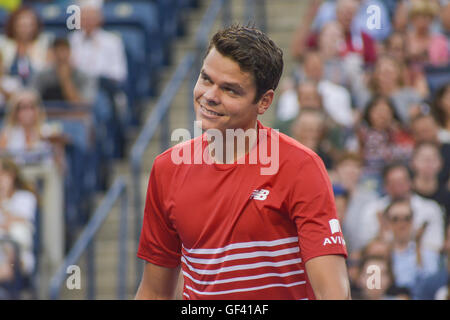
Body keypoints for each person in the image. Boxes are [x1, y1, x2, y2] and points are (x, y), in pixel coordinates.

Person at [135, 25, 350, 300]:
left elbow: (333, 294)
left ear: (264, 101)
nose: (210, 95)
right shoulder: (167, 169)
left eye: (230, 90)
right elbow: (154, 292)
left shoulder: (301, 167)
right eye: (205, 79)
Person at [357, 162, 445, 253]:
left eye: (402, 182)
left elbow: (436, 245)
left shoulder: (430, 209)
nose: (398, 187)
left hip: (422, 263)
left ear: (411, 182)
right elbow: (365, 245)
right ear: (385, 186)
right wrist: (382, 230)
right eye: (393, 182)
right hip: (384, 262)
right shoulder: (372, 210)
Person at [383, 198, 440, 296]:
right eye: (395, 219)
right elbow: (373, 287)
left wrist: (418, 249)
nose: (402, 224)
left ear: (413, 221)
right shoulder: (380, 253)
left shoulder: (428, 254)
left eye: (407, 218)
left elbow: (431, 286)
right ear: (387, 223)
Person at [0, 157, 37, 282]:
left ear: (12, 176)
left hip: (19, 260)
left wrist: (3, 199)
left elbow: (16, 222)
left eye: (3, 175)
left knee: (17, 231)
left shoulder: (26, 197)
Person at [32, 37, 97, 104]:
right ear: (52, 54)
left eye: (63, 51)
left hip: (74, 114)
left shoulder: (84, 77)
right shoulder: (42, 76)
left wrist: (65, 79)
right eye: (56, 51)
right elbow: (31, 101)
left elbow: (82, 107)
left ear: (70, 52)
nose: (60, 55)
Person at [0, 6, 51, 86]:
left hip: (37, 88)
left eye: (29, 25)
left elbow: (46, 72)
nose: (25, 29)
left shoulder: (44, 43)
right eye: (22, 25)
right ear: (13, 25)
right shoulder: (3, 44)